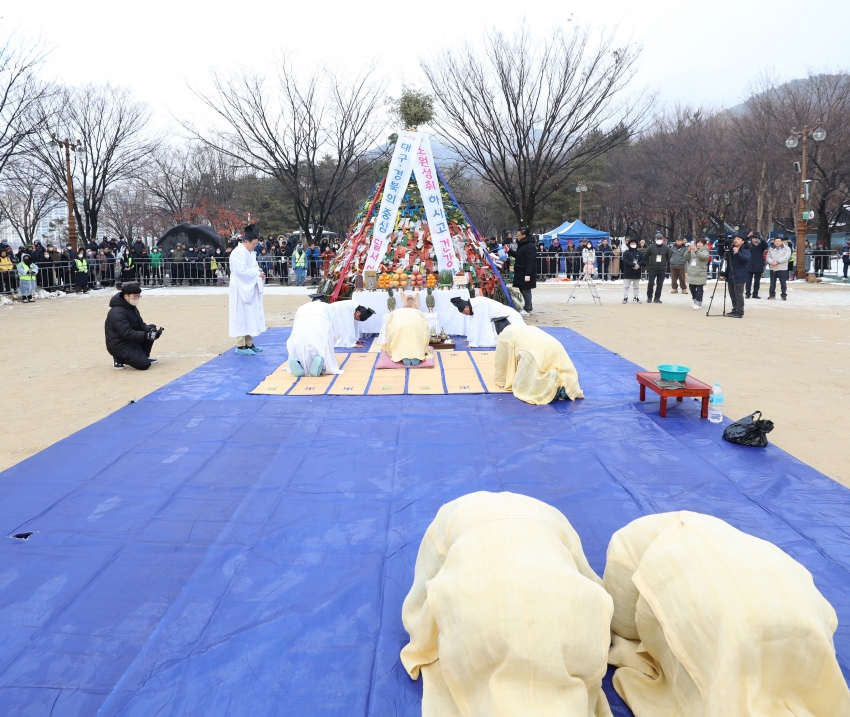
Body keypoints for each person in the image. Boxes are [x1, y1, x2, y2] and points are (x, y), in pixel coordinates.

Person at [604, 511, 850, 717]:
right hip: (804, 613)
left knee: (725, 669)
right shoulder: (741, 541)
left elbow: (623, 623)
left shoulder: (628, 542)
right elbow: (827, 618)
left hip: (741, 623)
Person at [401, 492, 614, 717]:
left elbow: (426, 584)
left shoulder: (451, 515)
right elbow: (587, 575)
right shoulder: (552, 515)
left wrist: (422, 639)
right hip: (561, 611)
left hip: (485, 611)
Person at [495, 324, 584, 404]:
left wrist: (501, 380)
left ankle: (551, 387)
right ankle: (568, 387)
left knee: (530, 377)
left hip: (535, 350)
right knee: (562, 366)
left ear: (499, 331)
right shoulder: (521, 326)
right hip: (555, 345)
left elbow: (502, 360)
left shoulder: (504, 336)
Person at [104, 281, 163, 370]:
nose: (137, 299)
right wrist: (146, 335)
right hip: (118, 344)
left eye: (138, 296)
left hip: (130, 340)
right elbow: (126, 333)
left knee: (151, 328)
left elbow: (141, 325)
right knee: (144, 365)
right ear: (126, 296)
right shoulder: (117, 312)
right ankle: (118, 358)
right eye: (135, 296)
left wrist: (152, 332)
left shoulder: (131, 307)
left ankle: (143, 355)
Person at [229, 224, 267, 355]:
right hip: (241, 288)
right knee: (241, 315)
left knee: (250, 315)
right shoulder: (237, 253)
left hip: (250, 287)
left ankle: (249, 342)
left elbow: (254, 267)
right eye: (254, 243)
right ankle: (241, 345)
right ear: (246, 241)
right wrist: (256, 274)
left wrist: (260, 273)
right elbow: (241, 272)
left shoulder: (251, 253)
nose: (255, 246)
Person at [287, 300, 345, 376]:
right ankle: (321, 363)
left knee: (298, 349)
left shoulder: (302, 308)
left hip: (298, 335)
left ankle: (297, 361)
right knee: (322, 348)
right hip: (318, 333)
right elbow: (336, 329)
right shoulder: (330, 308)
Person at [450, 295, 525, 347]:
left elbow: (479, 324)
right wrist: (470, 338)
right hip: (499, 318)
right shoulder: (475, 304)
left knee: (512, 339)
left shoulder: (479, 305)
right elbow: (474, 323)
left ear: (466, 307)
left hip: (509, 317)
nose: (465, 314)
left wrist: (474, 343)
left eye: (464, 312)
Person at [507, 228, 536, 315]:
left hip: (525, 271)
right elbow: (519, 255)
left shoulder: (530, 246)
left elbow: (531, 261)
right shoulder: (522, 245)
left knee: (526, 290)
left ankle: (527, 308)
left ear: (524, 236)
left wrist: (528, 274)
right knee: (523, 289)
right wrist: (509, 251)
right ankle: (528, 306)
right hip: (520, 271)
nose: (517, 237)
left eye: (519, 235)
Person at [726, 233, 751, 318]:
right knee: (732, 293)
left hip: (740, 275)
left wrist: (738, 253)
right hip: (730, 274)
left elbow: (746, 259)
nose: (735, 240)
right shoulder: (731, 249)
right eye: (735, 239)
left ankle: (740, 311)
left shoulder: (745, 250)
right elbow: (722, 254)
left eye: (738, 239)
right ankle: (734, 309)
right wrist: (723, 247)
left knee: (738, 294)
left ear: (743, 241)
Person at [643, 232, 670, 303]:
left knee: (660, 284)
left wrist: (664, 263)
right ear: (655, 239)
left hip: (662, 269)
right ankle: (649, 297)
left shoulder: (666, 248)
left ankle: (657, 298)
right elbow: (645, 256)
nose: (659, 240)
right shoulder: (651, 247)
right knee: (651, 283)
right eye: (658, 238)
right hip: (652, 268)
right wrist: (649, 263)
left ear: (663, 239)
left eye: (661, 238)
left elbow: (668, 257)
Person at [685, 238, 710, 309]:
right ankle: (695, 301)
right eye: (698, 243)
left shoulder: (705, 250)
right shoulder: (693, 250)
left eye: (701, 243)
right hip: (692, 272)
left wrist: (696, 251)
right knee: (691, 287)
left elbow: (703, 257)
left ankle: (699, 302)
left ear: (704, 244)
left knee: (699, 288)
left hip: (700, 272)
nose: (698, 244)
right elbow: (686, 257)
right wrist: (689, 251)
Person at [745, 231, 769, 299]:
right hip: (749, 265)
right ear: (752, 239)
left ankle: (755, 293)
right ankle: (747, 293)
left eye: (757, 238)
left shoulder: (761, 246)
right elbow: (743, 243)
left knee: (757, 282)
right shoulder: (749, 245)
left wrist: (761, 238)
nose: (755, 239)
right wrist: (748, 236)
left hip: (758, 265)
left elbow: (766, 245)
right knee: (748, 281)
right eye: (754, 238)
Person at [621, 238, 644, 303]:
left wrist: (639, 264)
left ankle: (636, 297)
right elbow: (625, 261)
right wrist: (633, 264)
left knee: (636, 286)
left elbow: (643, 260)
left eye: (634, 243)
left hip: (637, 272)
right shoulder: (626, 252)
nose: (633, 245)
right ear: (629, 244)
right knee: (626, 286)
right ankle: (625, 297)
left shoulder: (639, 252)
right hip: (628, 272)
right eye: (631, 243)